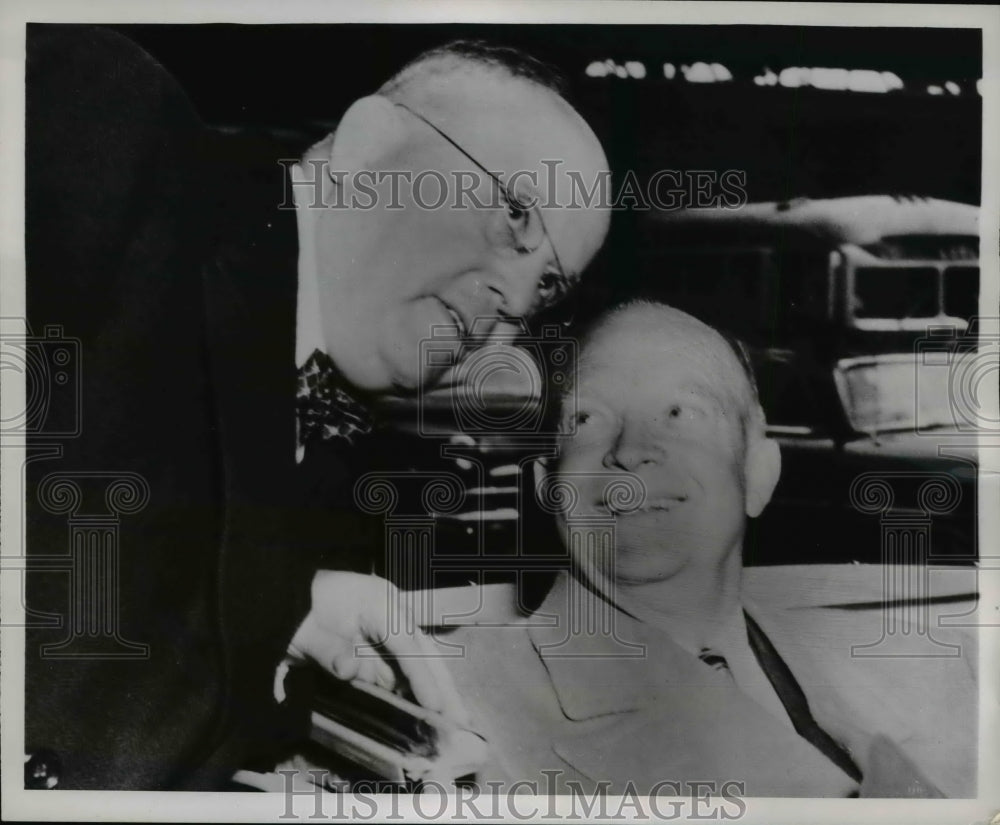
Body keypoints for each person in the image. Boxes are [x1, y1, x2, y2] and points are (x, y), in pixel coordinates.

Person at [23, 25, 611, 789]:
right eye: (518, 216)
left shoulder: (319, 460)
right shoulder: (108, 117)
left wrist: (279, 604)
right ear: (370, 142)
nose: (513, 300)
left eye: (548, 289)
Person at [436, 301, 976, 798]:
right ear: (545, 487)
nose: (632, 452)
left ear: (759, 473)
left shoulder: (925, 667)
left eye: (681, 413)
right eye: (586, 418)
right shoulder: (459, 703)